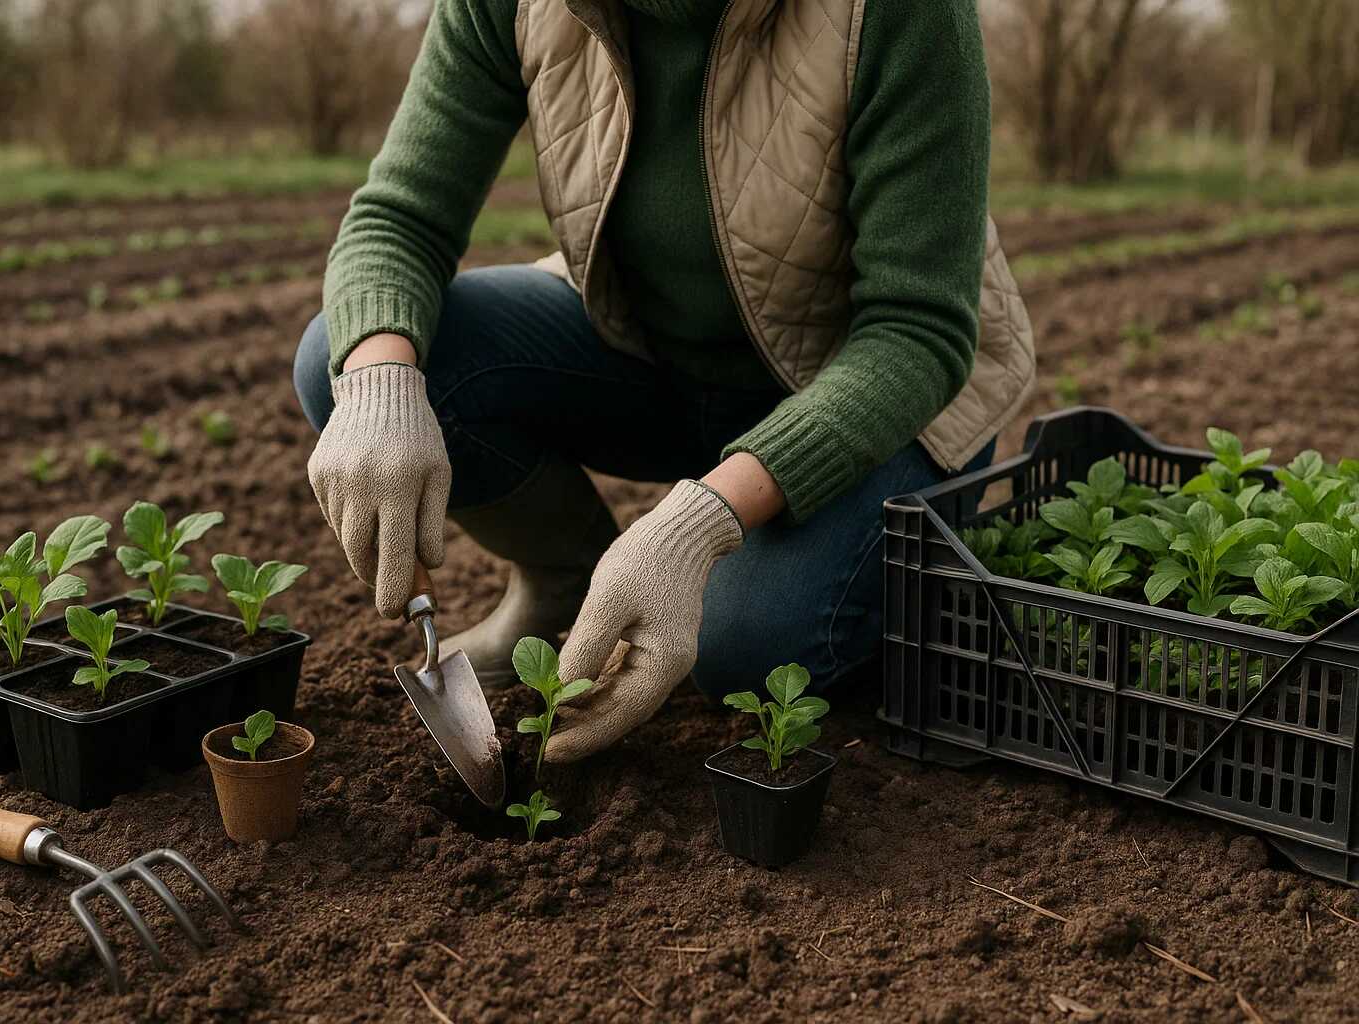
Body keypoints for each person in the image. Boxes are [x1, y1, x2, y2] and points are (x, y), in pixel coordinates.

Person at [294, 0, 1035, 765]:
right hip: (652, 353)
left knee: (741, 652)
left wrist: (700, 524)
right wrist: (380, 384)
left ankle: (857, 571)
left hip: (872, 389)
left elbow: (919, 329)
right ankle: (564, 580)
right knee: (349, 355)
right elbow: (400, 217)